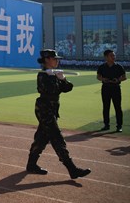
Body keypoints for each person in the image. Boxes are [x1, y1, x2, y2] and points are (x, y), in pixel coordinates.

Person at [26, 49, 91, 179]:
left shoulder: (54, 74)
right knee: (57, 137)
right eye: (54, 59)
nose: (57, 61)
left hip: (52, 109)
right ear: (47, 60)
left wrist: (63, 79)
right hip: (44, 109)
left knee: (42, 138)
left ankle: (31, 164)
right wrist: (52, 76)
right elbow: (49, 90)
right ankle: (72, 169)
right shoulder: (43, 75)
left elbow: (67, 88)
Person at [97, 49, 126, 132]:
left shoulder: (119, 66)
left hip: (116, 88)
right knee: (106, 107)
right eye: (111, 55)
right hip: (105, 88)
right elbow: (98, 76)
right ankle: (106, 125)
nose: (114, 57)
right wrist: (103, 79)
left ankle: (119, 126)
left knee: (118, 107)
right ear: (106, 57)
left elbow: (124, 77)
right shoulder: (102, 67)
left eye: (114, 55)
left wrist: (118, 80)